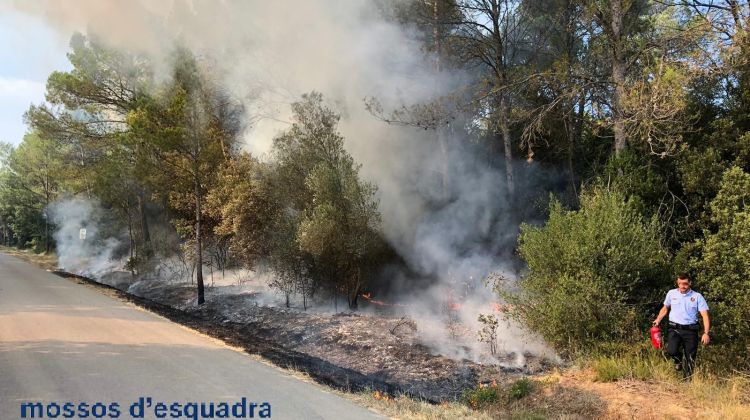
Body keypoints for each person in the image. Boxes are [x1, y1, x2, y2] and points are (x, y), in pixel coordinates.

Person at [653, 273, 710, 379]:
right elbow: (665, 308)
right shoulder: (671, 293)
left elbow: (705, 315)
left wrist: (706, 333)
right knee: (671, 350)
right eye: (680, 283)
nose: (682, 286)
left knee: (690, 357)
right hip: (674, 329)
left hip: (691, 330)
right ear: (677, 283)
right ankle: (677, 360)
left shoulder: (697, 296)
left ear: (690, 283)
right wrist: (658, 319)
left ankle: (687, 381)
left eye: (685, 284)